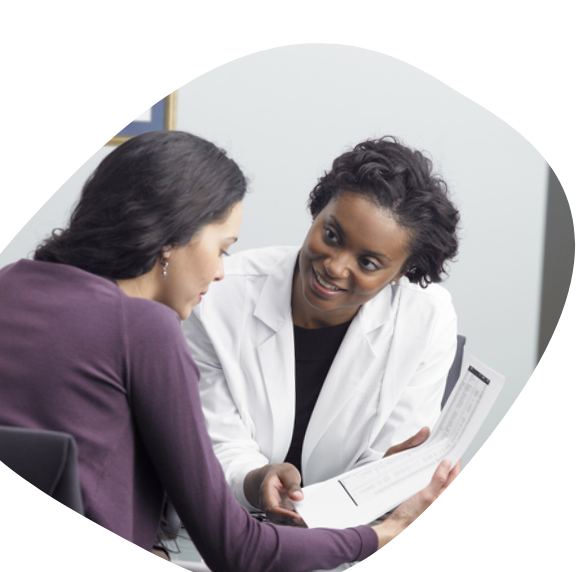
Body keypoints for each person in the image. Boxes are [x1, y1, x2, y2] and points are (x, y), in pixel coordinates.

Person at [0, 131, 458, 572]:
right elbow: (234, 547)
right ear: (172, 241)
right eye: (223, 247)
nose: (220, 273)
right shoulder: (148, 328)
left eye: (368, 263)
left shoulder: (9, 281)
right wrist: (378, 538)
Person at [182, 136, 461, 525]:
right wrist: (256, 481)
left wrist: (387, 480)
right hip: (228, 527)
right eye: (332, 236)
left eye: (368, 263)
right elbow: (215, 441)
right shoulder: (219, 292)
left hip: (351, 543)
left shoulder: (427, 319)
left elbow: (387, 459)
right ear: (318, 211)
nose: (335, 266)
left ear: (401, 273)